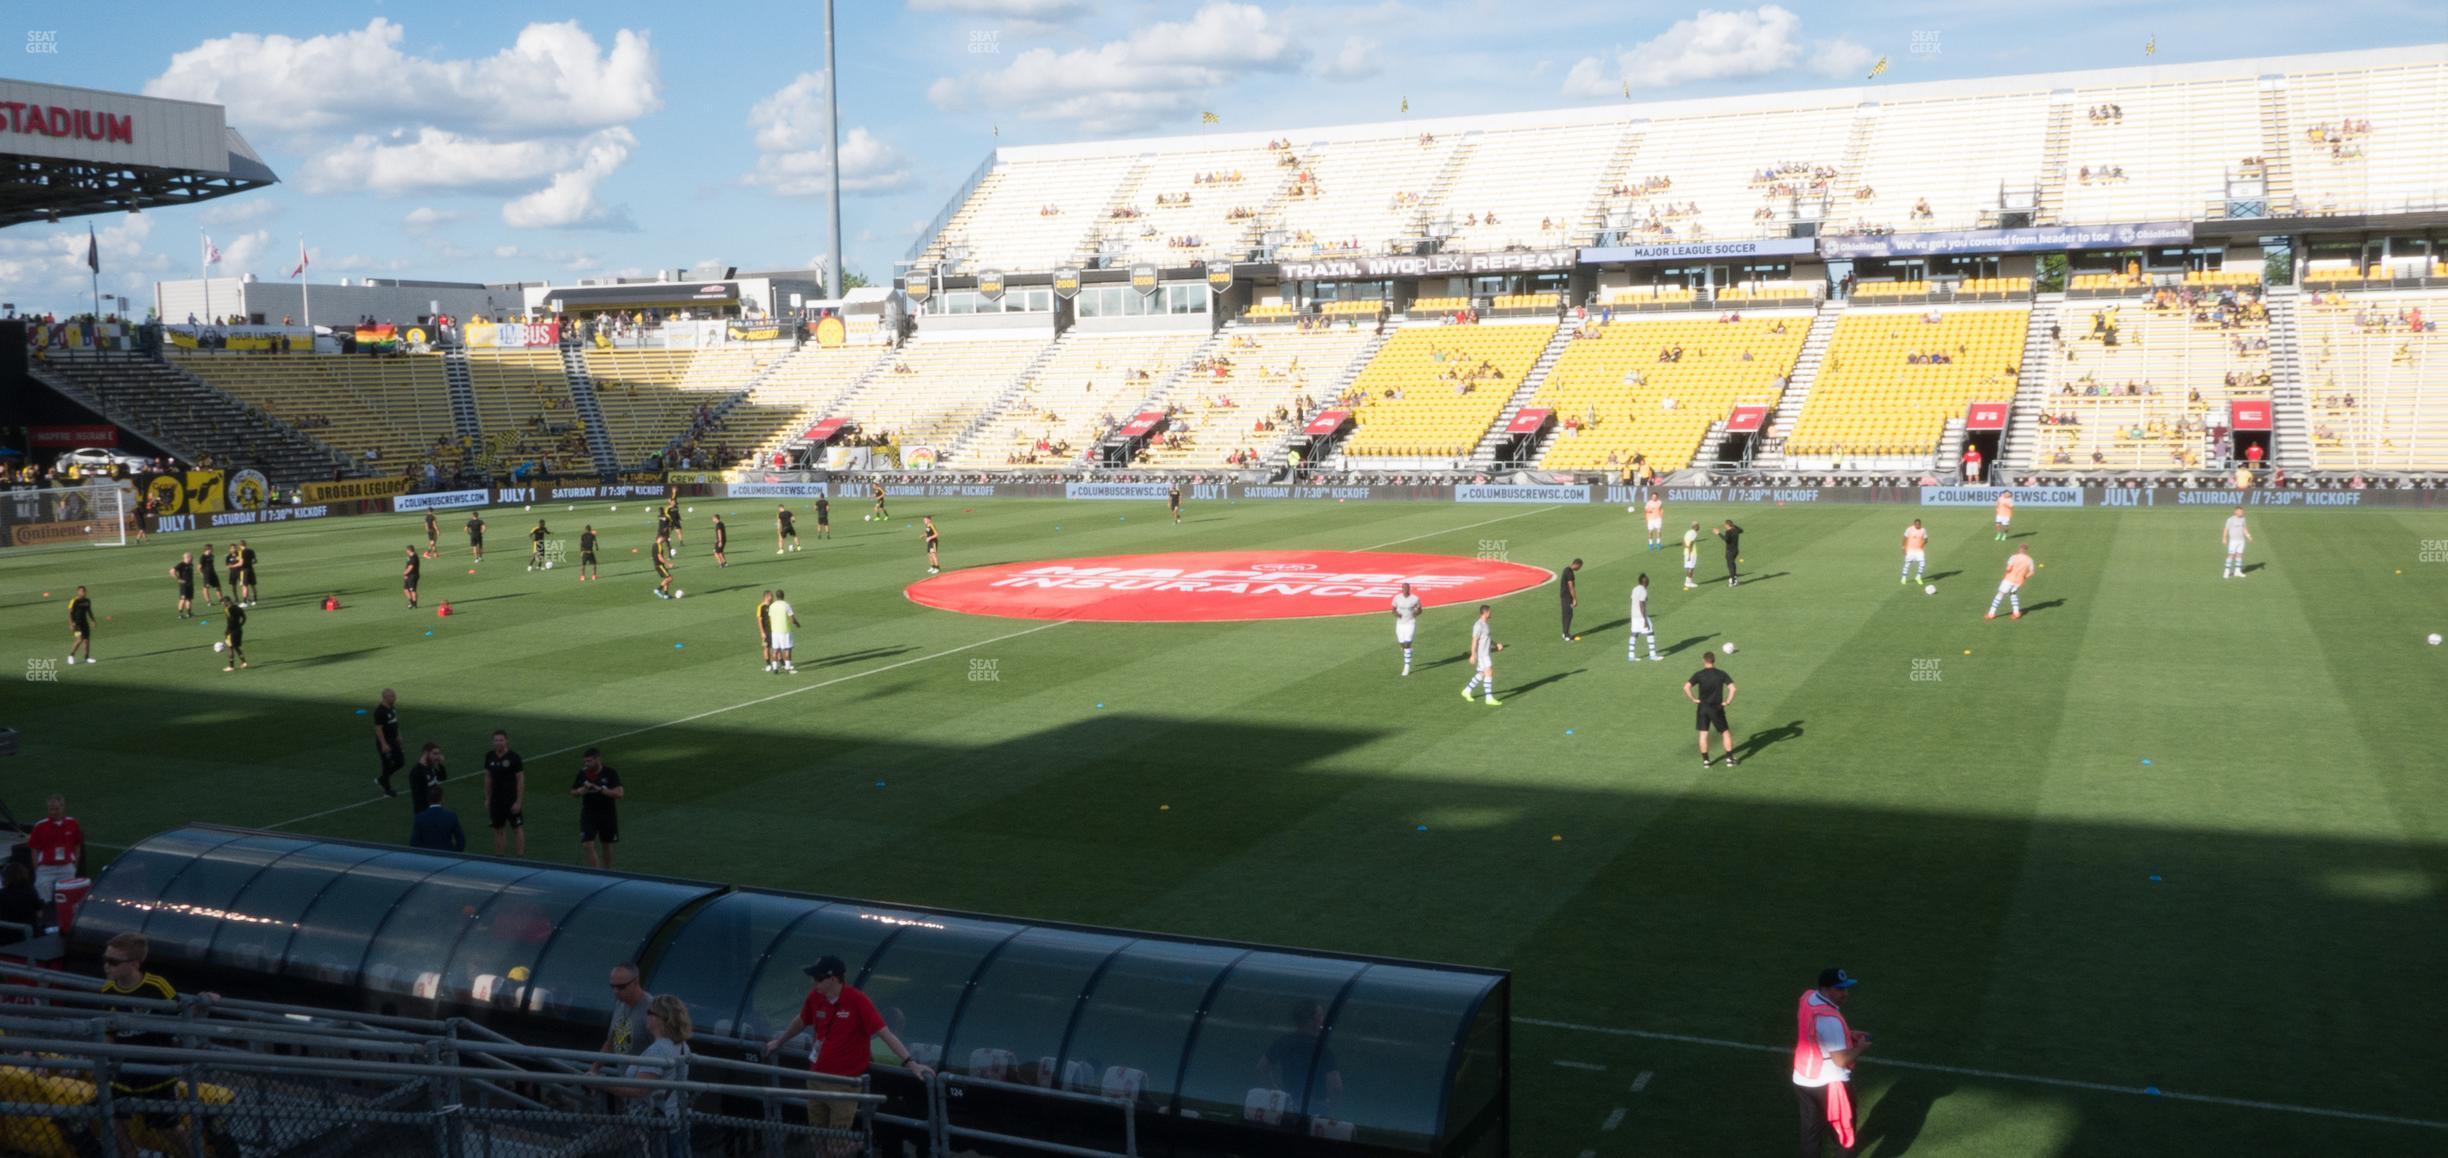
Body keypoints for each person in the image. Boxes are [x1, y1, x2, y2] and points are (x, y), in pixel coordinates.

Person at [764, 955, 934, 1149]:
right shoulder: (815, 997)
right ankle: (855, 1146)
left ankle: (859, 1145)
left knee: (836, 1145)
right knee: (818, 1140)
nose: (814, 983)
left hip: (844, 1084)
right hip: (815, 1079)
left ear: (834, 978)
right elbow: (801, 1020)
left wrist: (911, 1063)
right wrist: (779, 1041)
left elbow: (885, 1033)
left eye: (819, 979)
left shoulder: (857, 1000)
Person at [99, 932, 217, 1158]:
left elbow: (181, 1014)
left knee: (166, 1126)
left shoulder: (156, 985)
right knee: (111, 1114)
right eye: (105, 960)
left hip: (157, 1068)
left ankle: (196, 1155)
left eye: (113, 962)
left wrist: (204, 1000)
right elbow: (109, 1031)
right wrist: (106, 1059)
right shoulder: (107, 991)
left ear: (134, 964)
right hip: (125, 1067)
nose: (107, 966)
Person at [1794, 967, 1870, 1158]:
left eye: (1845, 988)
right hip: (1831, 1083)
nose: (1845, 994)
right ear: (1826, 989)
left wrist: (1847, 1034)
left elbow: (1815, 1032)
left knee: (1811, 1134)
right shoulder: (1830, 1020)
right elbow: (1841, 1060)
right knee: (1844, 1135)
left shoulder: (1808, 998)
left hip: (1803, 1077)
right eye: (1839, 989)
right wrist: (1860, 1047)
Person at [611, 994, 695, 1158]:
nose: (646, 1015)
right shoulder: (682, 1046)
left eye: (650, 1012)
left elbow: (638, 1090)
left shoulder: (659, 1050)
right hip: (675, 1120)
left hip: (658, 1125)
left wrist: (599, 1082)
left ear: (662, 1019)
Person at [1258, 999, 1343, 1126]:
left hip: (1289, 1108)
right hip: (1317, 1109)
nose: (1323, 1019)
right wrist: (1332, 1108)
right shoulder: (1322, 1049)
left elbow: (1261, 1069)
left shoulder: (1283, 1042)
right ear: (1313, 1020)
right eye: (1320, 1016)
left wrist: (1277, 1092)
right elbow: (1336, 1086)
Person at [28, 794, 82, 923]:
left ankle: (67, 922)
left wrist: (75, 865)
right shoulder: (40, 826)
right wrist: (37, 868)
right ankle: (46, 923)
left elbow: (77, 845)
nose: (53, 812)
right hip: (46, 868)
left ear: (63, 807)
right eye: (51, 809)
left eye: (56, 808)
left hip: (66, 866)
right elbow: (34, 848)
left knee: (67, 898)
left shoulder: (72, 823)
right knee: (42, 898)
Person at [595, 963, 656, 1074]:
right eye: (612, 986)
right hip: (625, 1079)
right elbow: (611, 1043)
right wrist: (594, 1069)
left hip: (643, 1083)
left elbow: (661, 1051)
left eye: (621, 987)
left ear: (636, 981)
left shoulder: (652, 1010)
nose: (616, 991)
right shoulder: (620, 1003)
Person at [572, 748, 624, 868]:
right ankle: (595, 873)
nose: (586, 764)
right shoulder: (582, 773)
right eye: (585, 761)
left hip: (607, 814)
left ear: (598, 759)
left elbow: (619, 793)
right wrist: (580, 791)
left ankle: (607, 872)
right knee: (587, 844)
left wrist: (599, 789)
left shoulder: (610, 773)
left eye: (589, 761)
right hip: (588, 813)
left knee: (606, 844)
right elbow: (573, 792)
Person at [1685, 651, 1738, 767]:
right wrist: (1727, 702)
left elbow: (1686, 687)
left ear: (1704, 660)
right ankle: (1729, 759)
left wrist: (1694, 699)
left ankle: (1706, 761)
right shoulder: (1721, 674)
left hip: (1702, 708)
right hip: (1716, 708)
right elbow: (1733, 689)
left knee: (1703, 734)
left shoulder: (1699, 674)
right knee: (1725, 732)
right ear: (1714, 660)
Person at [484, 729, 527, 857]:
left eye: (501, 740)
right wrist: (487, 798)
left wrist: (519, 801)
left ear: (506, 741)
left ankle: (520, 857)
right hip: (496, 801)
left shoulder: (514, 757)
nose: (498, 743)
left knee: (517, 828)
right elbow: (488, 777)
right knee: (498, 829)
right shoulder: (489, 756)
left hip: (511, 799)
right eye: (496, 740)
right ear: (492, 742)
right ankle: (499, 857)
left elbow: (520, 779)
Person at [1462, 604, 1503, 706]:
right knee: (1489, 671)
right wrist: (1473, 654)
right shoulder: (1478, 625)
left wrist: (1496, 644)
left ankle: (1466, 691)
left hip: (1485, 653)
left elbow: (1487, 638)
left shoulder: (1486, 624)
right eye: (1490, 611)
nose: (1491, 613)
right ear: (1485, 613)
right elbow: (1474, 640)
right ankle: (1488, 698)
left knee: (1482, 674)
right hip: (1482, 654)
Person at [409, 784, 467, 851]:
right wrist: (453, 854)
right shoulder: (451, 816)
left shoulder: (420, 817)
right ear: (442, 798)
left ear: (428, 799)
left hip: (427, 857)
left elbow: (413, 843)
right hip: (447, 857)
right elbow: (461, 841)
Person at [1986, 543, 2036, 620]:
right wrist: (2024, 577)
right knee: (2013, 594)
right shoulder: (2029, 560)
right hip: (2019, 581)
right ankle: (2016, 613)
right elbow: (2032, 572)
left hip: (2009, 579)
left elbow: (2008, 568)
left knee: (2000, 594)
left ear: (2019, 549)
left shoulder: (2014, 557)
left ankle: (1991, 614)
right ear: (2026, 550)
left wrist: (2007, 572)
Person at [373, 688, 404, 797]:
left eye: (394, 695)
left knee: (400, 762)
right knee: (386, 765)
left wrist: (399, 735)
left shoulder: (392, 707)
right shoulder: (380, 711)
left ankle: (382, 779)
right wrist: (383, 744)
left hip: (393, 740)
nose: (394, 698)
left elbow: (395, 722)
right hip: (386, 742)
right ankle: (387, 790)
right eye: (392, 696)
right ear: (385, 697)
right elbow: (378, 729)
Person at [0, 863, 42, 944]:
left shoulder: (2, 894)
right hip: (31, 935)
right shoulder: (31, 891)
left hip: (7, 938)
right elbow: (39, 914)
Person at [1390, 583, 1423, 676]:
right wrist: (1397, 614)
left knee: (1407, 643)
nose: (1404, 589)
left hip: (1410, 622)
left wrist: (1416, 613)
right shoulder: (1397, 598)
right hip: (1400, 623)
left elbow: (1420, 609)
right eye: (1403, 588)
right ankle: (1407, 651)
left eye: (1406, 588)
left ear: (1409, 589)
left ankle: (1406, 666)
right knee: (1402, 644)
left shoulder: (1415, 598)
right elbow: (1393, 609)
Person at [1627, 572, 1660, 663]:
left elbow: (1632, 600)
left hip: (1634, 615)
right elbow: (1641, 604)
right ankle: (1653, 655)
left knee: (1634, 633)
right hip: (1641, 616)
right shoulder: (1644, 591)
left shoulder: (1635, 589)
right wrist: (1645, 620)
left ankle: (1631, 655)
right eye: (1647, 581)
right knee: (1650, 632)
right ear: (1645, 582)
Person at [408, 742, 447, 812]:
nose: (437, 757)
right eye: (435, 754)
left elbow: (443, 777)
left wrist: (440, 764)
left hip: (434, 808)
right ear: (426, 753)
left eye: (438, 754)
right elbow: (419, 796)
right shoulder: (417, 772)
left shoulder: (430, 767)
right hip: (424, 811)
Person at [768, 589, 799, 674]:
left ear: (776, 596)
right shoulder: (786, 605)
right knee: (787, 649)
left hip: (774, 631)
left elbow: (770, 618)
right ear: (783, 595)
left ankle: (774, 668)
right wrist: (797, 624)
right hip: (784, 631)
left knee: (775, 650)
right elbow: (792, 619)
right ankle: (788, 668)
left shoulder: (772, 606)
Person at [2221, 505, 2252, 580]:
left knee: (2239, 555)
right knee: (2231, 555)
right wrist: (2224, 538)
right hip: (2233, 541)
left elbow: (2244, 528)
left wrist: (2248, 536)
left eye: (2242, 511)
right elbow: (2226, 529)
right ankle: (2226, 571)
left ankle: (2237, 571)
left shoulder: (2243, 519)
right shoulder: (2230, 520)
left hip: (2241, 541)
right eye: (2240, 511)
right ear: (2235, 512)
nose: (2241, 512)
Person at [66, 585, 95, 665]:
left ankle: (87, 657)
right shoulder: (74, 601)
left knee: (86, 641)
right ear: (78, 592)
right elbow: (69, 613)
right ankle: (71, 656)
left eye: (85, 591)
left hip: (84, 623)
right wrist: (71, 624)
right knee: (79, 639)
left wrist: (92, 620)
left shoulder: (87, 601)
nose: (84, 593)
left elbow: (89, 611)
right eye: (82, 591)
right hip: (76, 624)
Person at [221, 601, 249, 671]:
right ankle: (244, 663)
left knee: (230, 648)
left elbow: (230, 621)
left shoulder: (227, 610)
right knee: (237, 647)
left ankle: (231, 666)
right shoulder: (239, 608)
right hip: (239, 630)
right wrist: (240, 625)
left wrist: (227, 632)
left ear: (226, 603)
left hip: (231, 632)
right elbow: (244, 618)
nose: (222, 604)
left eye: (223, 603)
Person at [1715, 520, 1745, 588]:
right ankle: (1734, 578)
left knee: (1730, 565)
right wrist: (1734, 525)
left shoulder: (1728, 532)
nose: (1724, 526)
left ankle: (1733, 582)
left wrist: (1718, 533)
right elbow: (1742, 530)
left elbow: (1726, 540)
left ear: (1727, 525)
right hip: (1735, 550)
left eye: (1725, 525)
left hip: (1730, 551)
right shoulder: (1736, 530)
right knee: (1733, 564)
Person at [1558, 558, 1582, 641]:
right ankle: (1566, 635)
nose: (1579, 568)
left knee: (1566, 615)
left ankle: (1565, 633)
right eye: (1580, 567)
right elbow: (1571, 586)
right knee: (1568, 615)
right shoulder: (1569, 573)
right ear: (1577, 564)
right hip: (1567, 596)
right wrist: (1574, 599)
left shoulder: (1566, 569)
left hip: (1564, 595)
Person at [1900, 519, 1929, 585]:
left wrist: (1922, 544)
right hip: (1910, 550)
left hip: (1919, 550)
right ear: (1914, 524)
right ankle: (1903, 578)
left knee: (1922, 563)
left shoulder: (1923, 530)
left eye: (1919, 524)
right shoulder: (1909, 529)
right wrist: (1903, 547)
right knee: (1907, 564)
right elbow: (1904, 538)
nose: (1917, 525)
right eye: (1916, 524)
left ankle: (1918, 577)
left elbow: (1926, 539)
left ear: (1920, 524)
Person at [198, 541, 225, 607]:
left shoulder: (212, 556)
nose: (213, 549)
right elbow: (199, 567)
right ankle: (208, 601)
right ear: (208, 549)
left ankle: (221, 600)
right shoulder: (203, 557)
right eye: (212, 548)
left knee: (218, 586)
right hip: (206, 574)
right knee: (206, 587)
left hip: (213, 573)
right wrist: (202, 574)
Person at [170, 553, 196, 618]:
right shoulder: (181, 564)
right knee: (183, 599)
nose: (192, 558)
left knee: (189, 599)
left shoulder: (191, 564)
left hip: (190, 584)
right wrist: (178, 579)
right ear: (186, 557)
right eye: (191, 557)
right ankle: (180, 614)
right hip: (184, 585)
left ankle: (189, 613)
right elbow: (172, 571)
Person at [651, 533, 676, 600]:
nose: (665, 540)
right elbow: (660, 557)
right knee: (669, 578)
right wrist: (668, 564)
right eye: (664, 538)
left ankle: (666, 595)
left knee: (666, 579)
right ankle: (658, 589)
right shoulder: (658, 546)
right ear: (661, 538)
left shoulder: (654, 545)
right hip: (659, 565)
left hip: (658, 565)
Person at [235, 540, 260, 606]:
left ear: (240, 546)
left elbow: (241, 563)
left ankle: (245, 602)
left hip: (244, 570)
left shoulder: (240, 552)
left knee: (245, 586)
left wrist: (232, 566)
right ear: (246, 544)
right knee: (253, 585)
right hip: (251, 569)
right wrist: (249, 563)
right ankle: (255, 600)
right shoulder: (251, 551)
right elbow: (255, 561)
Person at [403, 544, 422, 608]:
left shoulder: (414, 558)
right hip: (409, 576)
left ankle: (415, 604)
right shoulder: (410, 557)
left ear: (409, 550)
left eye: (406, 550)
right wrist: (405, 574)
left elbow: (410, 567)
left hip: (413, 576)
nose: (406, 551)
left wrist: (405, 573)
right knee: (405, 590)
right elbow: (407, 566)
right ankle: (411, 603)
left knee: (412, 590)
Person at [1682, 522, 1700, 590]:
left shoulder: (1688, 532)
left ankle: (1687, 582)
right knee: (1691, 568)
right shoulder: (1694, 533)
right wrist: (1689, 554)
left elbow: (1683, 541)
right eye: (1698, 526)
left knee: (1688, 567)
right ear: (1696, 527)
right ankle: (1688, 583)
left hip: (1686, 552)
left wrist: (1686, 547)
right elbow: (1691, 543)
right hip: (1691, 553)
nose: (1699, 527)